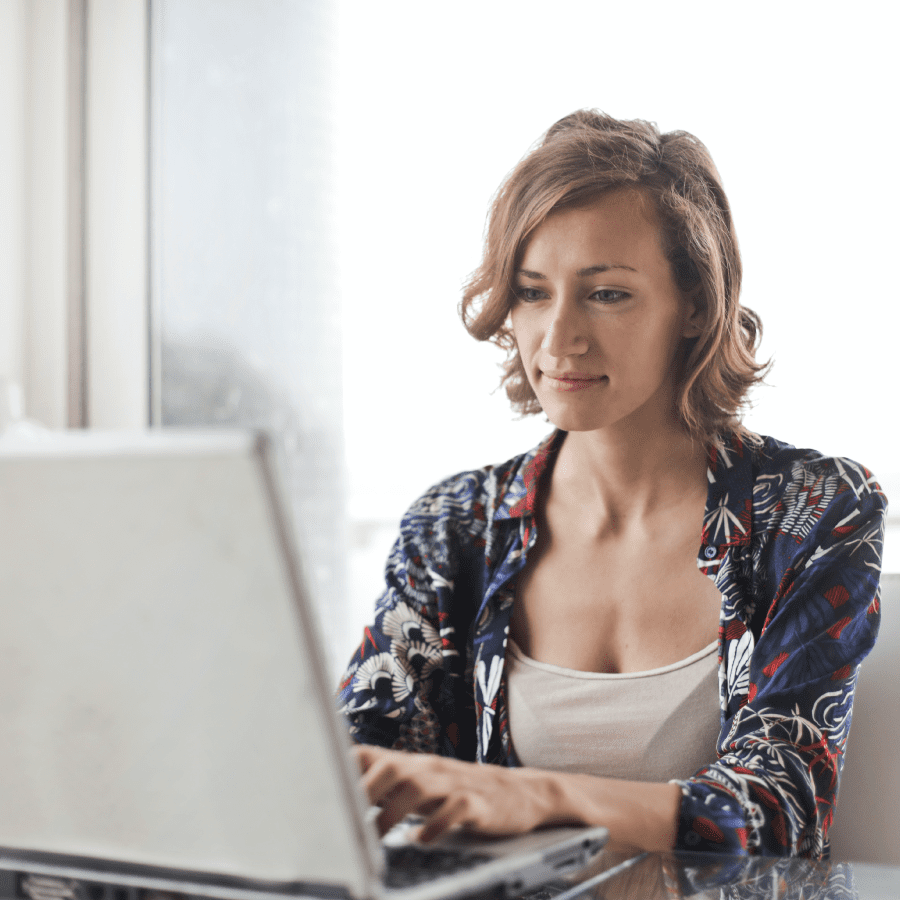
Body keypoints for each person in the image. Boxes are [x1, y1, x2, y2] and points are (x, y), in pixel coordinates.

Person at [338, 110, 887, 859]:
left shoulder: (813, 510)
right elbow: (353, 768)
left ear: (695, 305)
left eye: (607, 295)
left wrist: (536, 796)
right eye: (532, 293)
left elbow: (783, 808)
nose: (558, 337)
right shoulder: (457, 525)